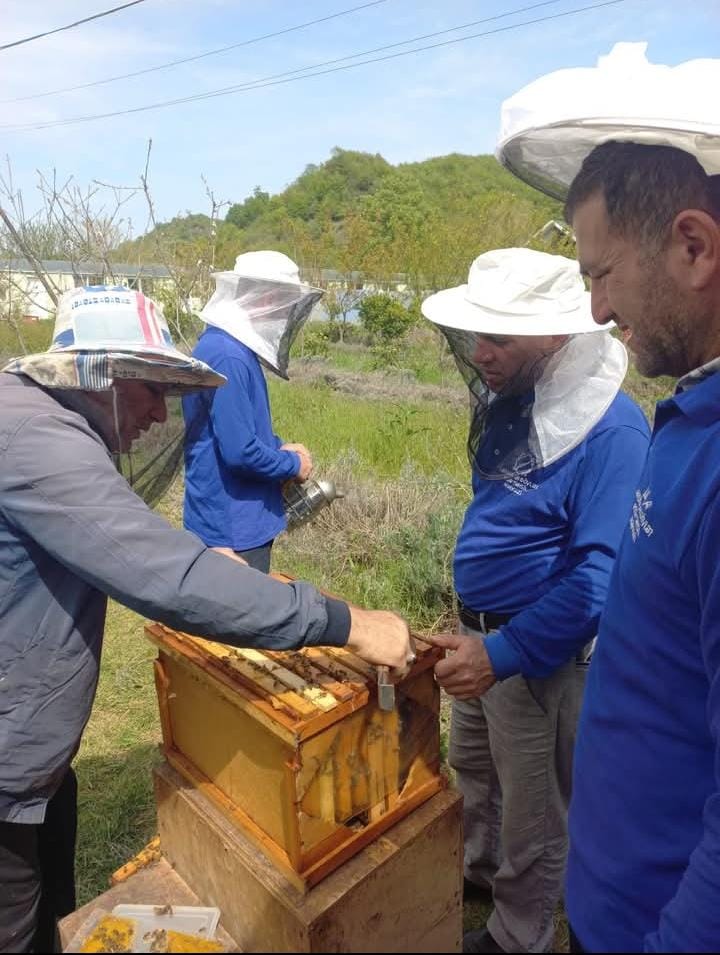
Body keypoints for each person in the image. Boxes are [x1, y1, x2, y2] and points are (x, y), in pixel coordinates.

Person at [0, 284, 412, 954]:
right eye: (150, 389)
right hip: (5, 770)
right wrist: (350, 623)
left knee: (53, 919)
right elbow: (164, 576)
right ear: (103, 376)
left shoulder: (32, 418)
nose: (160, 414)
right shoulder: (39, 440)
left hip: (29, 763)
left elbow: (118, 536)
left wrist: (193, 553)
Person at [422, 249, 650, 954]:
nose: (480, 353)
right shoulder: (520, 399)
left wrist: (502, 652)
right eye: (475, 335)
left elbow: (597, 576)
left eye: (499, 339)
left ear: (554, 336)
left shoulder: (614, 432)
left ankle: (520, 931)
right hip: (479, 642)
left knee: (535, 811)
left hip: (536, 659)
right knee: (476, 772)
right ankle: (482, 874)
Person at [557, 143, 720, 953]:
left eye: (602, 274)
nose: (594, 309)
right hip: (611, 897)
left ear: (693, 247)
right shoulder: (691, 408)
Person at [182, 251, 322, 572]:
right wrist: (292, 463)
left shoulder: (226, 347)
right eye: (286, 303)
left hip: (234, 518)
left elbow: (239, 431)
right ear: (268, 298)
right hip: (232, 527)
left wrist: (278, 447)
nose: (286, 314)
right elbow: (240, 452)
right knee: (237, 619)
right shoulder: (227, 355)